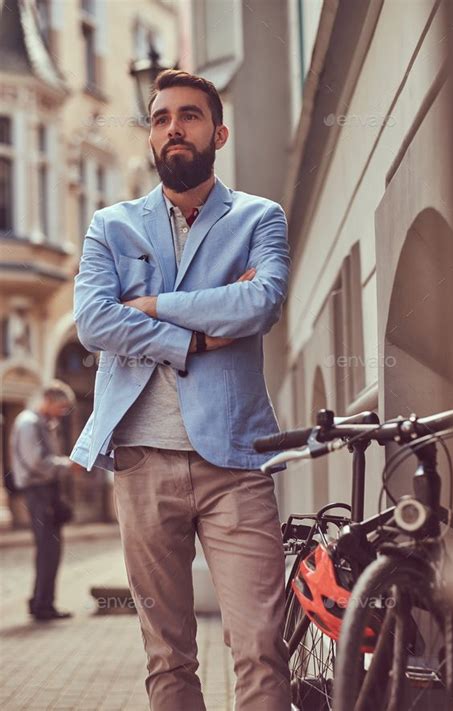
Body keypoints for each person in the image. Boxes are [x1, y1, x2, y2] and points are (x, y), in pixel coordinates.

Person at [72, 69, 291, 711]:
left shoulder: (258, 217)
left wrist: (152, 306)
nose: (174, 128)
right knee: (167, 657)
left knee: (259, 645)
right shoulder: (112, 225)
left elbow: (261, 302)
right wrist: (190, 338)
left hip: (236, 464)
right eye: (161, 117)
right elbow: (93, 322)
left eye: (189, 116)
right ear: (150, 137)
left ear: (217, 131)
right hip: (141, 460)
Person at [10, 380, 79, 621]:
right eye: (60, 406)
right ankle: (42, 606)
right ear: (48, 400)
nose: (63, 412)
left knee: (49, 549)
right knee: (48, 549)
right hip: (38, 491)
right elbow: (36, 462)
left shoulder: (45, 423)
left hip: (47, 490)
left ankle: (41, 601)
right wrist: (67, 465)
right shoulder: (29, 423)